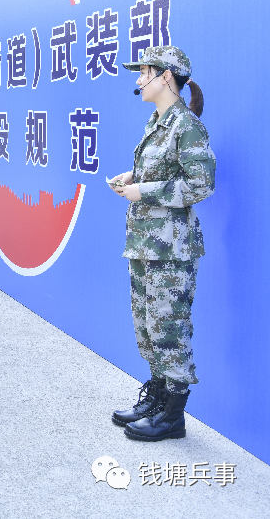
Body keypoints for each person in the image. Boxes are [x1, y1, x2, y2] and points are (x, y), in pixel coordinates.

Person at [109, 45, 214, 442]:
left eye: (145, 72)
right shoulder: (158, 122)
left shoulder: (186, 125)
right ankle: (157, 396)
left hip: (171, 249)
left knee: (169, 328)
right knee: (148, 325)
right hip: (145, 243)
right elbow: (157, 172)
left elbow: (201, 184)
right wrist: (130, 179)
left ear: (166, 77)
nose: (139, 79)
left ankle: (172, 415)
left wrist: (145, 191)